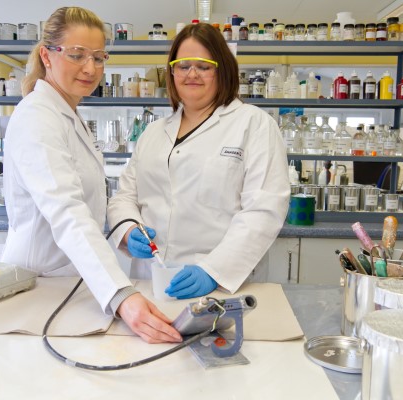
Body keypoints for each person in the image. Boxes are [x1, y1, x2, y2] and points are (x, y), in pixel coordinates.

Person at [0, 7, 181, 344]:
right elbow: (68, 213)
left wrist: (123, 230)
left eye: (99, 57)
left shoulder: (68, 114)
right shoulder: (37, 119)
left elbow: (95, 196)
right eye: (77, 55)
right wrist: (121, 297)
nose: (90, 68)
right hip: (37, 284)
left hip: (70, 280)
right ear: (47, 55)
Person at [107, 23, 290, 299]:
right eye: (183, 65)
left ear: (222, 70)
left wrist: (213, 270)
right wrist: (128, 229)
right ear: (172, 72)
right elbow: (125, 196)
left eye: (204, 66)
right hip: (150, 280)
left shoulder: (254, 125)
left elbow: (263, 211)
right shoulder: (154, 132)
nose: (192, 73)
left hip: (220, 286)